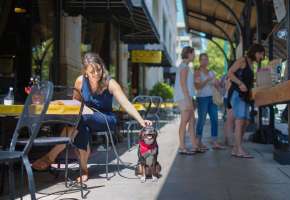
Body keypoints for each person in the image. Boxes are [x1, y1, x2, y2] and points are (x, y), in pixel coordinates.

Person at [32, 52, 152, 182]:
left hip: (105, 118)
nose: (96, 74)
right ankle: (84, 169)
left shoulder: (110, 83)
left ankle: (51, 156)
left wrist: (141, 120)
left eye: (98, 69)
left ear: (102, 67)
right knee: (80, 123)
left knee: (81, 119)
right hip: (84, 118)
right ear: (85, 72)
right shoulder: (80, 81)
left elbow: (126, 103)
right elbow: (75, 104)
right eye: (92, 72)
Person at [228, 44, 265, 158]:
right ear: (255, 52)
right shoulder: (242, 60)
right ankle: (239, 149)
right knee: (240, 121)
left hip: (245, 96)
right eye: (261, 54)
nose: (262, 57)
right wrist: (240, 83)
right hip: (237, 93)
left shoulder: (251, 63)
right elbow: (230, 73)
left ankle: (236, 148)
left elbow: (247, 78)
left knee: (246, 121)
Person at [174, 46, 203, 155]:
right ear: (189, 54)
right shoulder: (184, 67)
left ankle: (194, 145)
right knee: (185, 121)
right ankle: (182, 147)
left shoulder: (185, 66)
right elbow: (183, 84)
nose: (195, 56)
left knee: (192, 121)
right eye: (193, 53)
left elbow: (186, 83)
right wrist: (188, 100)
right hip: (184, 98)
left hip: (186, 97)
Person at [194, 53, 225, 150]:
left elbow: (217, 85)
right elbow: (197, 87)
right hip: (202, 98)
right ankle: (198, 141)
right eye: (202, 59)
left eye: (206, 59)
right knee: (202, 120)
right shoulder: (197, 72)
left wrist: (220, 83)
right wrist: (207, 80)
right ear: (199, 61)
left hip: (212, 98)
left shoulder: (211, 72)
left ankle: (214, 141)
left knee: (215, 119)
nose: (205, 61)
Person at [221, 74, 234, 147]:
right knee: (230, 120)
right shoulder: (230, 76)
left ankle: (227, 139)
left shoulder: (227, 76)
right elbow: (226, 87)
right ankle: (229, 140)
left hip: (228, 98)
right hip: (229, 98)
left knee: (228, 120)